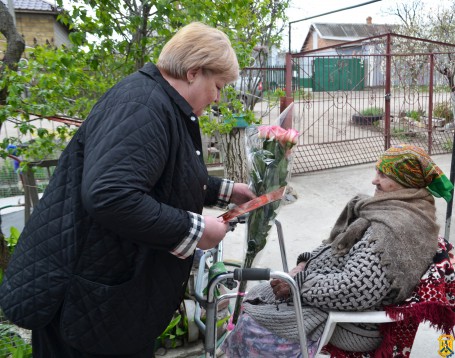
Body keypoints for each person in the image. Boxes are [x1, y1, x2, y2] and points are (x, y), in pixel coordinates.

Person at [0, 22, 255, 357]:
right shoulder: (143, 105)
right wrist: (195, 230)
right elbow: (111, 195)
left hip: (101, 298)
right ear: (194, 72)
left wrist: (226, 191)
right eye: (218, 86)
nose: (217, 97)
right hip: (81, 302)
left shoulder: (159, 103)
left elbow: (159, 177)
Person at [222, 144, 454, 357]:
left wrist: (299, 284)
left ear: (406, 183)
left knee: (255, 323)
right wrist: (305, 263)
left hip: (353, 323)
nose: (374, 181)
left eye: (384, 175)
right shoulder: (387, 209)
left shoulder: (395, 228)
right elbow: (333, 245)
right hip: (328, 294)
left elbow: (355, 289)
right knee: (256, 295)